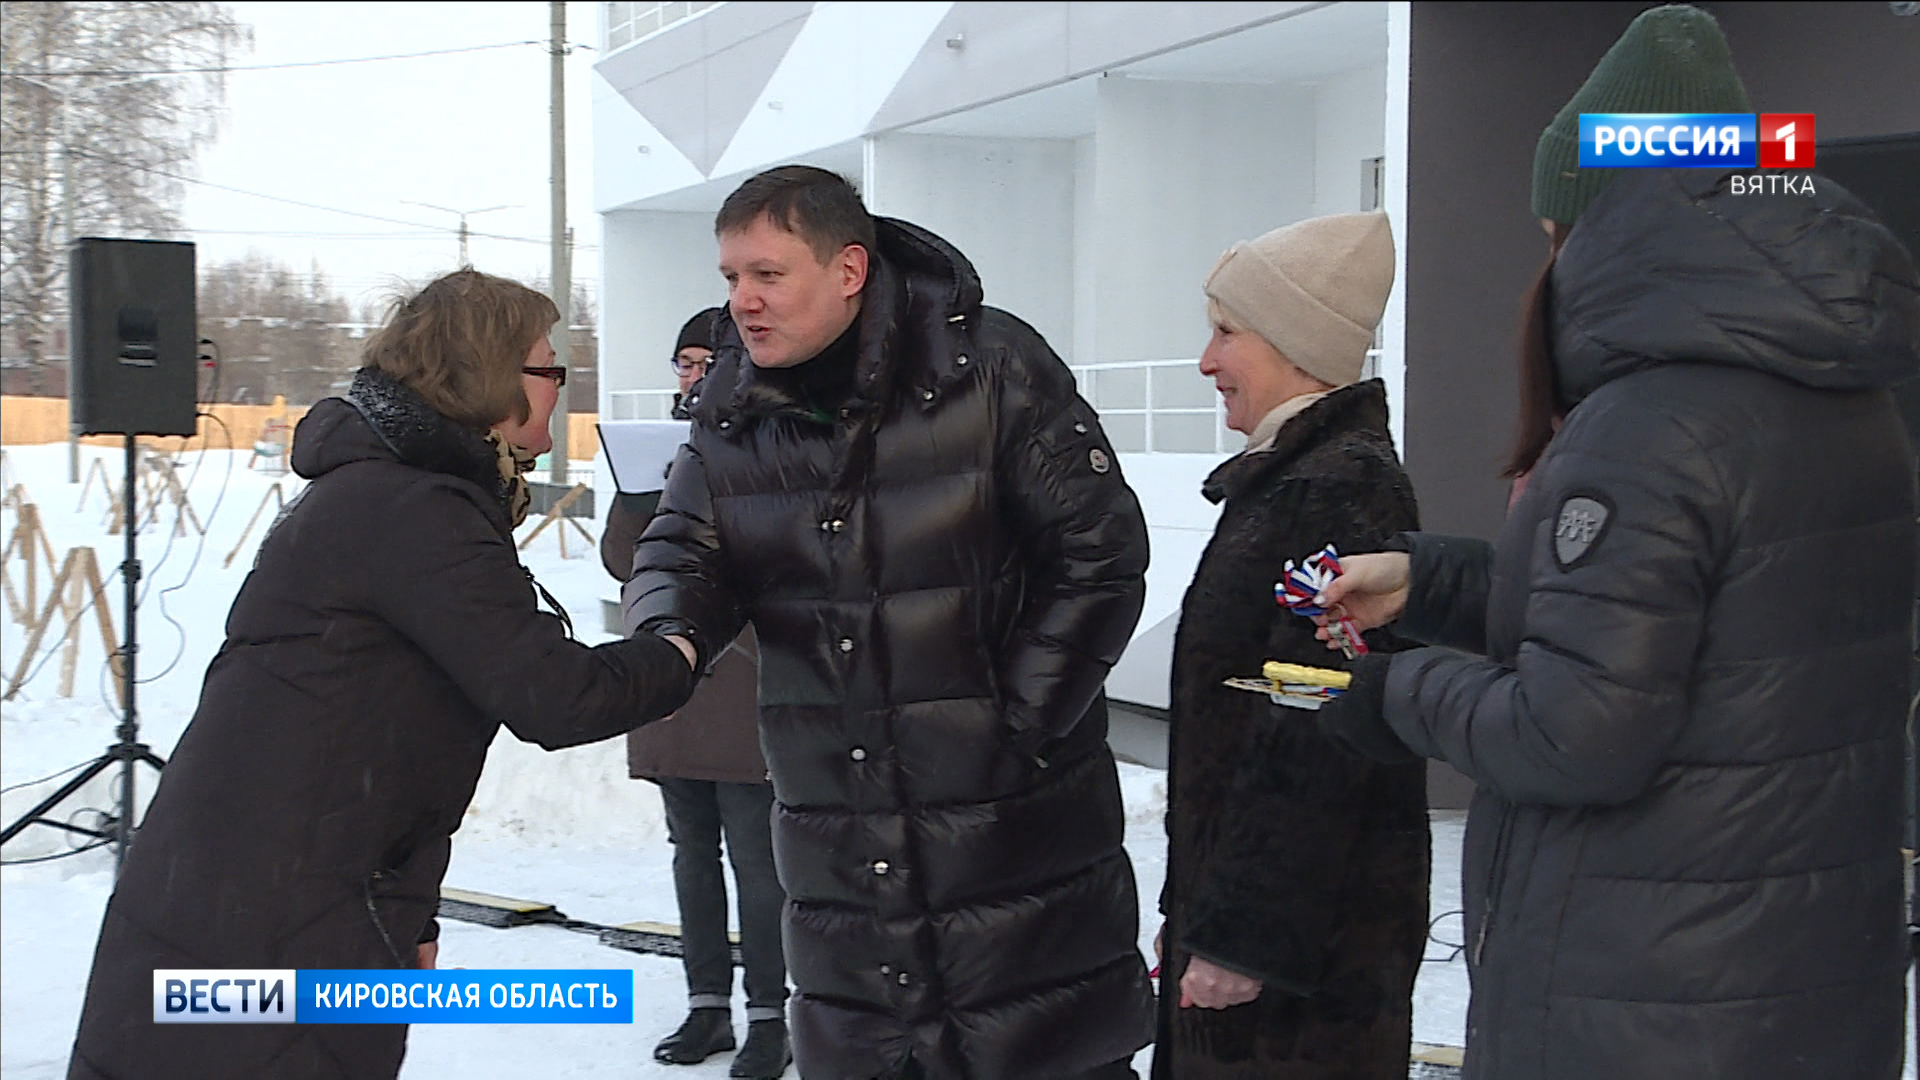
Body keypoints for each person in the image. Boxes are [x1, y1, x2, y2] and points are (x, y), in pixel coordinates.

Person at [1310, 8, 1920, 1079]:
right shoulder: (1848, 401)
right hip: (1802, 982)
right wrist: (1435, 580)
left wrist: (1396, 693)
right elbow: (1700, 632)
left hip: (1642, 997)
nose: (1546, 258)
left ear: (1614, 220)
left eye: (1555, 228)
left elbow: (1577, 730)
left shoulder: (1649, 423)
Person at [67, 269, 699, 1080]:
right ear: (489, 379)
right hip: (275, 925)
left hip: (266, 900)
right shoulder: (412, 510)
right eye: (549, 369)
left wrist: (408, 912)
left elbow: (374, 730)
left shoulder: (386, 493)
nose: (557, 390)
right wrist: (684, 646)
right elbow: (557, 695)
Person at [624, 165, 1155, 1080]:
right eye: (731, 278)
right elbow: (679, 552)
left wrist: (1017, 725)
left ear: (849, 270)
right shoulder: (732, 410)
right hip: (845, 859)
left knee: (1032, 1051)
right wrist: (667, 636)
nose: (743, 301)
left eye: (768, 274)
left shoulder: (992, 368)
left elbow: (1099, 555)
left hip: (1013, 853)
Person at [1154, 213, 1427, 1080]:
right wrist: (1194, 909)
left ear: (1296, 344)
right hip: (1265, 934)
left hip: (1301, 972)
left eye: (1226, 332)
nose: (1206, 361)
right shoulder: (1290, 480)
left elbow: (1314, 727)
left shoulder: (1338, 489)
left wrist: (1241, 939)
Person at [598, 305, 791, 1079]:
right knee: (692, 857)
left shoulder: (770, 441)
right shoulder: (661, 451)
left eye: (704, 362)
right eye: (682, 362)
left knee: (758, 863)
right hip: (674, 691)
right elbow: (624, 560)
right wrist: (641, 493)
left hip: (746, 688)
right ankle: (707, 1004)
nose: (691, 376)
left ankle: (771, 1015)